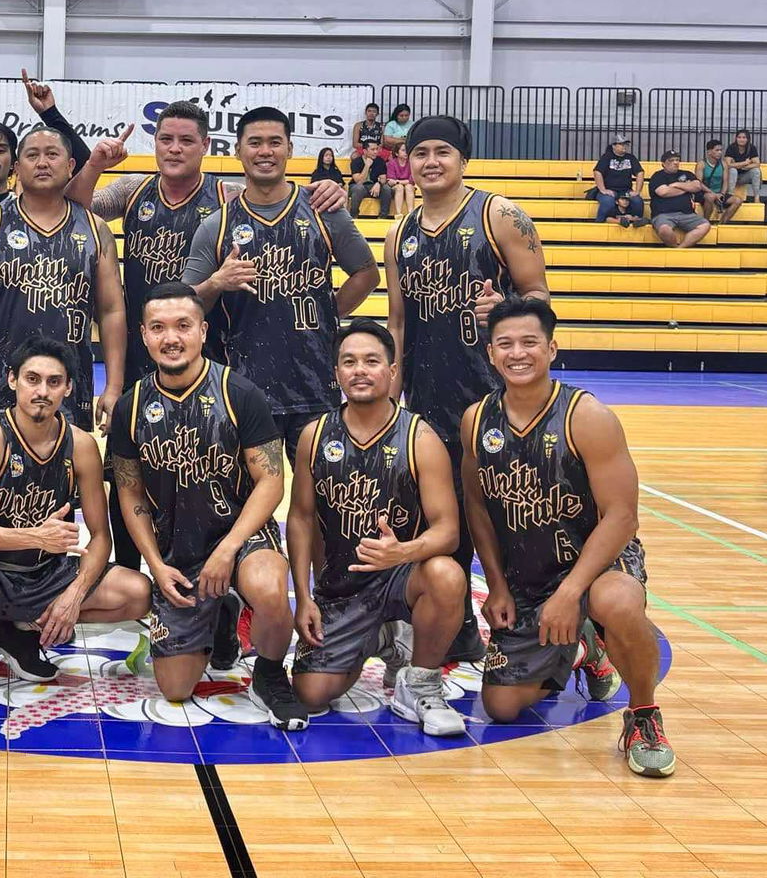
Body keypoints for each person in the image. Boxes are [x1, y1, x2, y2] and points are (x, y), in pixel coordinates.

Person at [62, 100, 346, 575]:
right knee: (127, 476)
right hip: (140, 358)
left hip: (207, 360)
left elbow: (273, 192)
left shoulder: (228, 196)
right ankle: (135, 582)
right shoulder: (133, 189)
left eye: (186, 140)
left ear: (206, 146)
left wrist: (326, 192)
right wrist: (93, 163)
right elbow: (75, 207)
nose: (174, 149)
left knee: (209, 476)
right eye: (165, 139)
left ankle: (222, 581)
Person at [462, 296, 674, 779]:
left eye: (530, 342)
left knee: (616, 603)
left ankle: (643, 715)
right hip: (527, 574)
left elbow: (622, 517)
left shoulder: (587, 415)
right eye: (505, 344)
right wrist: (495, 584)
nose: (518, 353)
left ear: (552, 348)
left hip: (597, 565)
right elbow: (478, 506)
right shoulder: (476, 418)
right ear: (490, 353)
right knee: (502, 705)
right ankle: (585, 649)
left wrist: (570, 592)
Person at [108, 283, 310, 730]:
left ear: (203, 330)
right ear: (143, 335)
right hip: (177, 552)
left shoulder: (240, 393)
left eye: (183, 325)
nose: (171, 337)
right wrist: (155, 564)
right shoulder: (131, 407)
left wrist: (228, 549)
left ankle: (271, 675)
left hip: (239, 538)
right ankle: (222, 617)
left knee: (270, 585)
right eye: (159, 328)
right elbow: (130, 493)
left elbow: (271, 482)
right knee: (175, 688)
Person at [386, 114, 549, 664]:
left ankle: (537, 632)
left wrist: (505, 312)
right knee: (443, 521)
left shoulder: (499, 214)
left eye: (443, 152)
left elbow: (539, 297)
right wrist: (392, 397)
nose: (431, 161)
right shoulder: (399, 232)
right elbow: (400, 324)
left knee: (506, 523)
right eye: (421, 152)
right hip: (429, 400)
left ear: (463, 160)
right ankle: (456, 630)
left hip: (498, 398)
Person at [0, 336, 153, 708]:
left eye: (54, 382)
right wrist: (34, 536)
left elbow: (101, 536)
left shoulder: (80, 445)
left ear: (69, 387)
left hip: (44, 576)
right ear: (12, 380)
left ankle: (19, 627)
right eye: (32, 379)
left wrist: (74, 594)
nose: (42, 391)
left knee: (138, 592)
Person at [286, 320, 466, 734]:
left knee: (446, 574)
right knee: (312, 693)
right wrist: (303, 596)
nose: (360, 370)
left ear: (392, 370)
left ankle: (421, 682)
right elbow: (300, 518)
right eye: (349, 362)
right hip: (341, 587)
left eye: (371, 361)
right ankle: (386, 639)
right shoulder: (314, 436)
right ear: (336, 374)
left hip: (403, 578)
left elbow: (448, 530)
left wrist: (402, 552)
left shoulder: (420, 437)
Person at [185, 106, 379, 461]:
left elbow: (367, 273)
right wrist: (216, 282)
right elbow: (186, 304)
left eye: (275, 142)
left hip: (316, 383)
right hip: (246, 388)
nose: (265, 151)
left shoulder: (323, 209)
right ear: (237, 151)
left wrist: (329, 309)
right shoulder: (217, 224)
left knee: (322, 497)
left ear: (289, 149)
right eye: (255, 143)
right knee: (251, 499)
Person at [0, 124, 127, 435]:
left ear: (70, 165)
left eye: (52, 154)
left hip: (71, 383)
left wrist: (113, 386)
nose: (42, 162)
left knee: (66, 472)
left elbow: (112, 311)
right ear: (18, 168)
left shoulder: (95, 230)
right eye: (32, 155)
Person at [0, 71, 90, 201]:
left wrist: (50, 113)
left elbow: (85, 165)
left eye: (1, 150)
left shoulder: (29, 207)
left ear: (15, 163)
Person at [646, 151, 712, 248]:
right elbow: (664, 192)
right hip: (663, 215)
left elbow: (697, 186)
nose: (676, 162)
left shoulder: (687, 174)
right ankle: (674, 247)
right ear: (663, 164)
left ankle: (680, 249)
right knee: (664, 229)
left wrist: (677, 185)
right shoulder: (658, 176)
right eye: (671, 160)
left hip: (687, 214)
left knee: (705, 226)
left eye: (677, 160)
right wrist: (687, 188)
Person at [592, 136, 643, 225]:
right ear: (613, 146)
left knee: (637, 201)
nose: (624, 146)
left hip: (626, 190)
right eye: (621, 144)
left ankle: (636, 221)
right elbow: (597, 172)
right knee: (608, 201)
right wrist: (603, 189)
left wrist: (637, 191)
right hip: (610, 189)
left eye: (626, 144)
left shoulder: (631, 158)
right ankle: (599, 223)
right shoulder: (607, 157)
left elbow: (640, 172)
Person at [699, 139, 742, 225]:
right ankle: (705, 223)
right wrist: (713, 193)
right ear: (709, 152)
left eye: (721, 150)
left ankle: (722, 224)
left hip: (719, 193)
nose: (720, 152)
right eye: (717, 150)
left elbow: (725, 181)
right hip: (706, 192)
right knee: (710, 197)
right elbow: (698, 183)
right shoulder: (701, 164)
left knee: (737, 200)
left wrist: (722, 194)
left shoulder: (723, 164)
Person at [346, 142, 391, 218]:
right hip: (358, 187)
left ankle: (383, 216)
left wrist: (379, 184)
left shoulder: (380, 161)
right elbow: (359, 182)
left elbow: (383, 178)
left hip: (373, 186)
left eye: (377, 149)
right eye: (372, 149)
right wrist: (367, 166)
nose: (375, 152)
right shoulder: (356, 162)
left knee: (386, 189)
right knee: (358, 189)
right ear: (365, 151)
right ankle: (354, 215)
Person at [725, 129, 762, 201]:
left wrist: (741, 167)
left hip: (744, 176)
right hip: (731, 176)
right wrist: (744, 163)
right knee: (733, 171)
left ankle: (756, 197)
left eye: (744, 137)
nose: (741, 139)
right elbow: (727, 165)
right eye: (739, 137)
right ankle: (729, 195)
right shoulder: (731, 147)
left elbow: (757, 164)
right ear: (736, 138)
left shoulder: (751, 148)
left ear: (748, 139)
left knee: (756, 171)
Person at [385, 142, 415, 217]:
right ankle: (398, 214)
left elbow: (412, 180)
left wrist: (398, 181)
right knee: (400, 187)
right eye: (403, 150)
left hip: (408, 185)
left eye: (407, 150)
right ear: (396, 153)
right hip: (396, 186)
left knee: (408, 186)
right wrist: (398, 182)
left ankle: (410, 213)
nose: (406, 152)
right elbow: (391, 181)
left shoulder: (412, 162)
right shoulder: (392, 163)